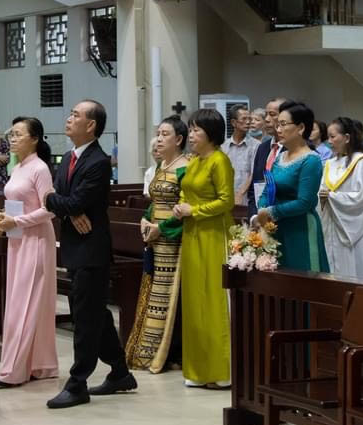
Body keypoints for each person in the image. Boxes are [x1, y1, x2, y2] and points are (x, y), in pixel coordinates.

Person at [45, 100, 135, 409]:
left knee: (85, 318)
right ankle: (120, 372)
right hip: (74, 245)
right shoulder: (69, 157)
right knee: (94, 312)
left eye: (75, 115)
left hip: (91, 249)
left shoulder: (98, 161)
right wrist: (67, 209)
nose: (69, 119)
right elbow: (62, 197)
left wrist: (58, 203)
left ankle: (77, 383)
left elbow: (70, 200)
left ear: (91, 125)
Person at [0, 116, 60, 388]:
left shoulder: (40, 168)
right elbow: (13, 204)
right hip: (18, 240)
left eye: (19, 134)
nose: (13, 138)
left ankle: (15, 370)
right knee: (19, 301)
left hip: (37, 240)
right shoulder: (17, 167)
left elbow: (49, 209)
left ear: (34, 139)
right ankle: (38, 364)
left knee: (27, 303)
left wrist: (16, 222)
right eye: (12, 134)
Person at [171, 108, 234, 389]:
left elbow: (226, 201)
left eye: (196, 130)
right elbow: (186, 190)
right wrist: (181, 206)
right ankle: (197, 369)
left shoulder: (220, 161)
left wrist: (194, 210)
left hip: (213, 234)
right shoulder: (195, 161)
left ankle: (220, 369)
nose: (191, 135)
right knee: (194, 300)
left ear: (211, 133)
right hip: (192, 233)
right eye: (191, 129)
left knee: (213, 300)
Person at [127, 116, 188, 374]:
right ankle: (148, 348)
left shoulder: (186, 167)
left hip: (173, 241)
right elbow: (156, 201)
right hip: (155, 239)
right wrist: (146, 218)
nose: (159, 139)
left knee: (170, 297)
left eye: (165, 134)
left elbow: (183, 208)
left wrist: (161, 228)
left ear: (179, 139)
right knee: (153, 295)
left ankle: (170, 351)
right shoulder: (163, 165)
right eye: (158, 134)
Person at [257, 100, 328, 272]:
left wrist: (271, 212)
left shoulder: (311, 160)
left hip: (300, 229)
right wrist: (262, 209)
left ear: (301, 128)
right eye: (277, 125)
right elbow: (268, 188)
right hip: (276, 227)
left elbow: (305, 202)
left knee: (301, 276)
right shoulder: (280, 157)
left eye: (283, 124)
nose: (278, 129)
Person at [318, 117, 363, 280]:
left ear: (347, 137)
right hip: (333, 226)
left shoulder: (362, 162)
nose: (329, 141)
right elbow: (321, 192)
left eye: (333, 136)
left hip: (355, 228)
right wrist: (322, 198)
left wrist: (332, 197)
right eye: (328, 137)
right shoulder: (329, 163)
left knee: (357, 271)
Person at [248, 97, 288, 213]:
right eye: (266, 115)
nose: (267, 119)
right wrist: (253, 216)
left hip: (284, 215)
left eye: (272, 115)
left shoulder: (295, 149)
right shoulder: (262, 148)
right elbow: (254, 188)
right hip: (260, 214)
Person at [223, 105, 259, 206]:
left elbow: (253, 173)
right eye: (244, 119)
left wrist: (240, 194)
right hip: (225, 199)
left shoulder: (256, 146)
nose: (248, 122)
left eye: (249, 119)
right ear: (233, 122)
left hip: (247, 200)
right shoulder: (223, 146)